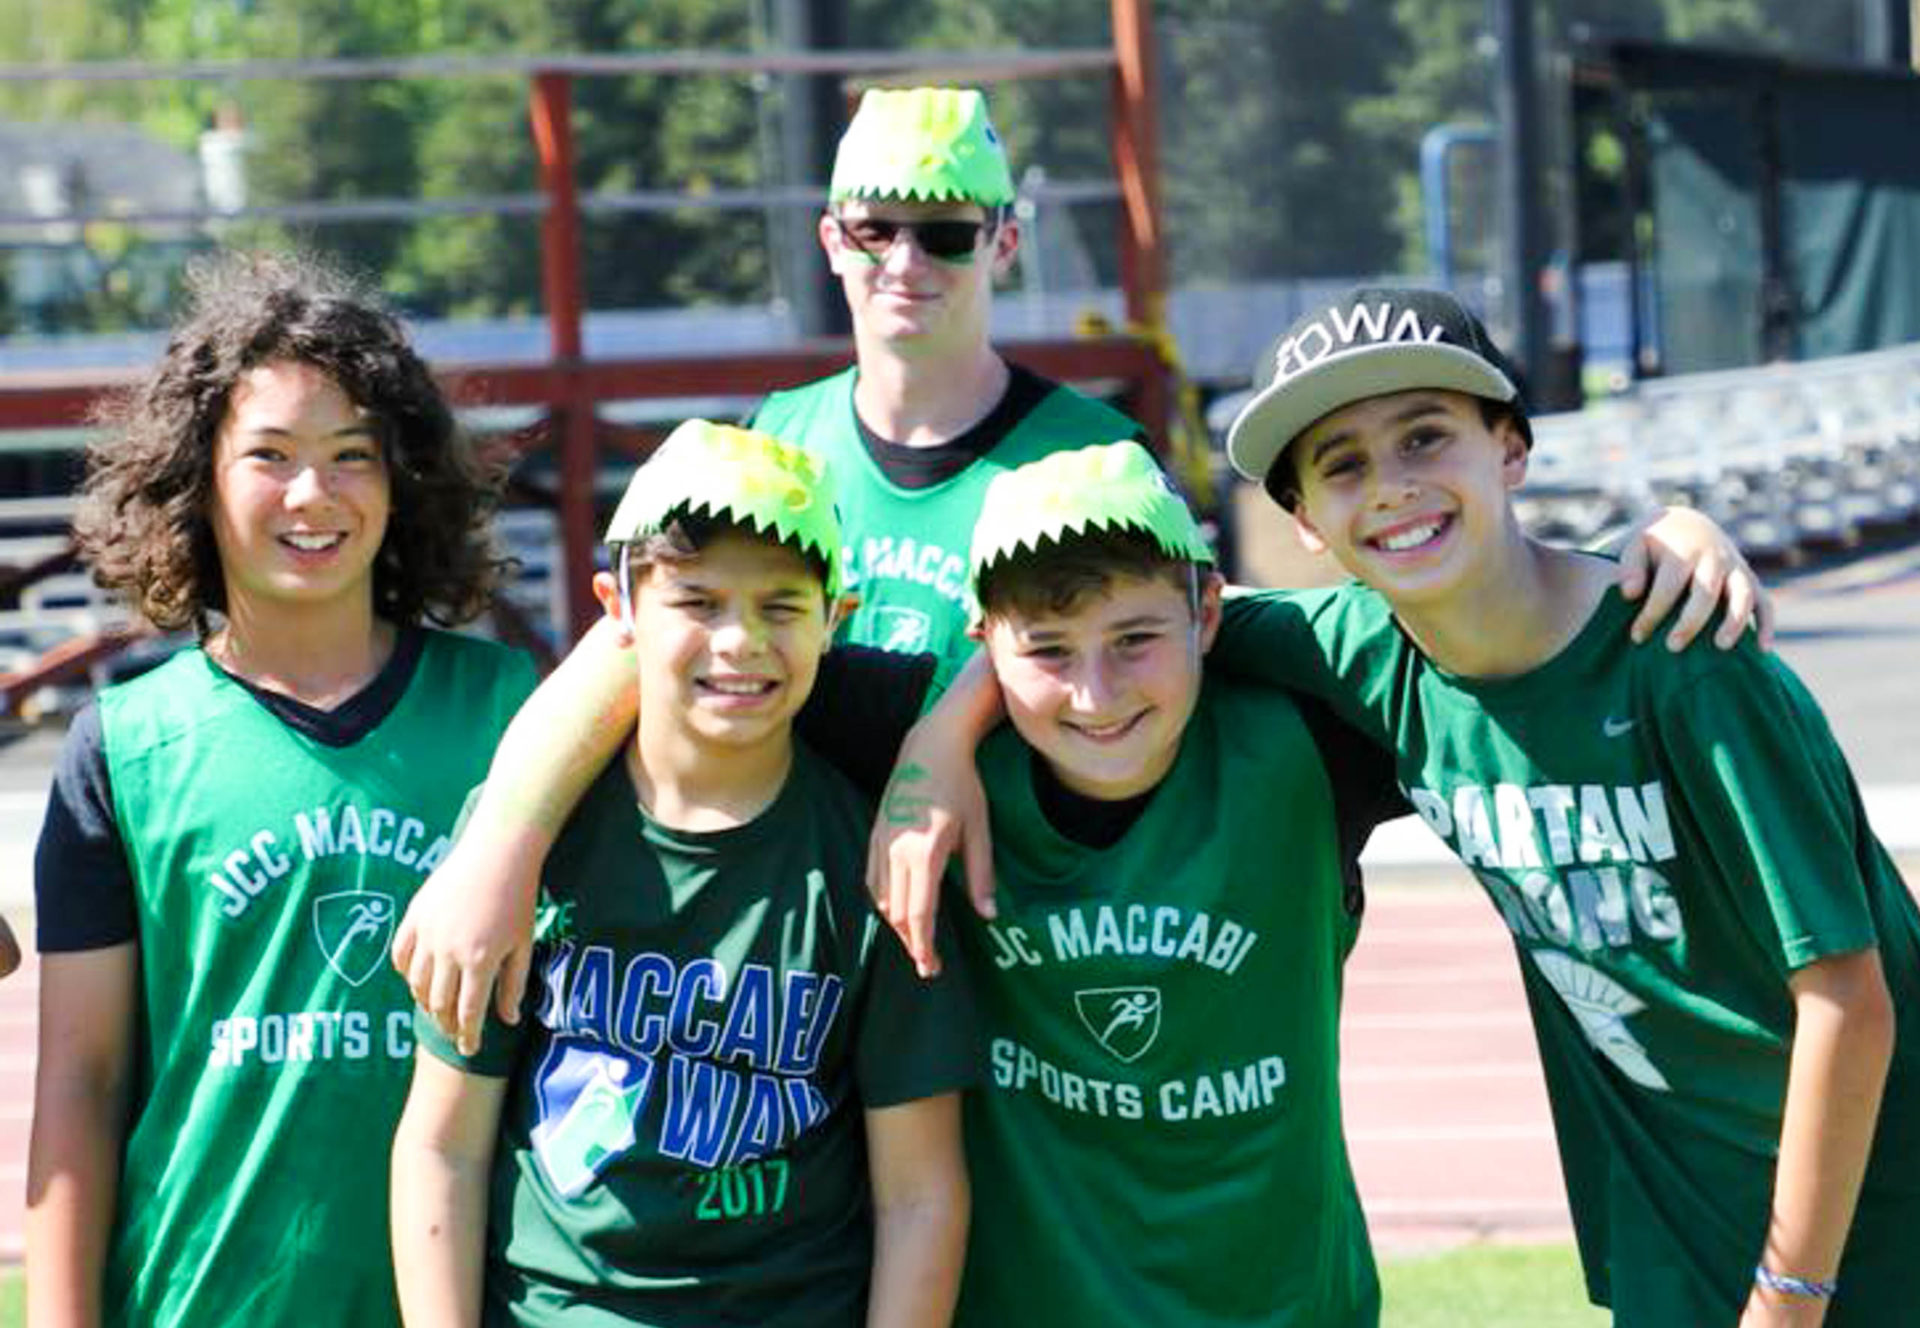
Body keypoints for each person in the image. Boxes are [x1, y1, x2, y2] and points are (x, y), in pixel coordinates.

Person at [1211, 285, 1920, 1326]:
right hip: (1670, 1222)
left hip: (1870, 1211)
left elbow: (1847, 996)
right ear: (1306, 522)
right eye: (1343, 464)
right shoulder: (1356, 650)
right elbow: (1137, 620)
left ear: (1511, 449)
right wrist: (949, 744)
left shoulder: (1681, 654)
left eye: (1424, 437)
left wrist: (1790, 1296)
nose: (1394, 488)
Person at [25, 249, 538, 1328]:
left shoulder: (512, 713)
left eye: (354, 454)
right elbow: (81, 1080)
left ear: (403, 480)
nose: (315, 493)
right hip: (203, 1299)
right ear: (197, 475)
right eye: (271, 454)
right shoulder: (122, 748)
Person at [389, 420, 975, 1328]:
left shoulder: (871, 866)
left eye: (782, 607)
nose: (739, 641)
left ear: (836, 621)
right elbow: (442, 1146)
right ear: (617, 610)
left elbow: (920, 1191)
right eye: (697, 603)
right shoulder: (523, 852)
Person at [755, 83, 1145, 662]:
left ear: (1004, 245)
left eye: (946, 236)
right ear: (833, 242)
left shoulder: (1098, 454)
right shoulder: (774, 440)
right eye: (875, 231)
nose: (906, 263)